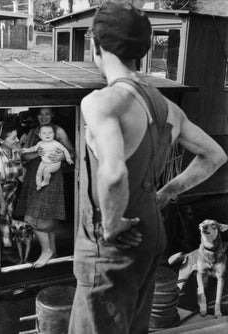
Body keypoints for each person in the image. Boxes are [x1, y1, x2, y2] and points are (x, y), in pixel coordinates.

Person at [68, 2, 227, 334]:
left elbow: (113, 174)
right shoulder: (166, 106)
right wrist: (167, 192)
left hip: (115, 244)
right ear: (143, 50)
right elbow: (215, 155)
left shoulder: (100, 102)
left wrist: (111, 225)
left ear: (96, 46)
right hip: (151, 235)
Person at [16, 107, 74, 268]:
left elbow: (73, 152)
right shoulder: (34, 131)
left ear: (53, 115)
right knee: (40, 215)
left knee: (36, 216)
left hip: (52, 176)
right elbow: (25, 156)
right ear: (37, 116)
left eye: (47, 113)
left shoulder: (58, 131)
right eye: (40, 114)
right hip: (34, 176)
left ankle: (46, 251)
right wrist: (38, 153)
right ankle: (53, 252)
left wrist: (63, 155)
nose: (43, 117)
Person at [22, 124, 73, 190]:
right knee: (38, 173)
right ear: (40, 136)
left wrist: (67, 158)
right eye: (44, 133)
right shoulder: (40, 143)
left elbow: (66, 150)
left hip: (54, 163)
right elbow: (33, 148)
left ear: (54, 134)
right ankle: (38, 184)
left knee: (46, 170)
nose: (47, 135)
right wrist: (27, 150)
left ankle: (46, 181)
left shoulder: (56, 143)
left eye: (50, 133)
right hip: (44, 162)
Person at [0, 121, 23, 250]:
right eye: (13, 138)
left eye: (17, 136)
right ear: (1, 140)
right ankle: (2, 254)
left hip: (12, 193)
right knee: (0, 220)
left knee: (8, 221)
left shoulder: (14, 150)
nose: (17, 140)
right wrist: (1, 202)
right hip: (0, 193)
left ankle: (6, 251)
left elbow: (23, 164)